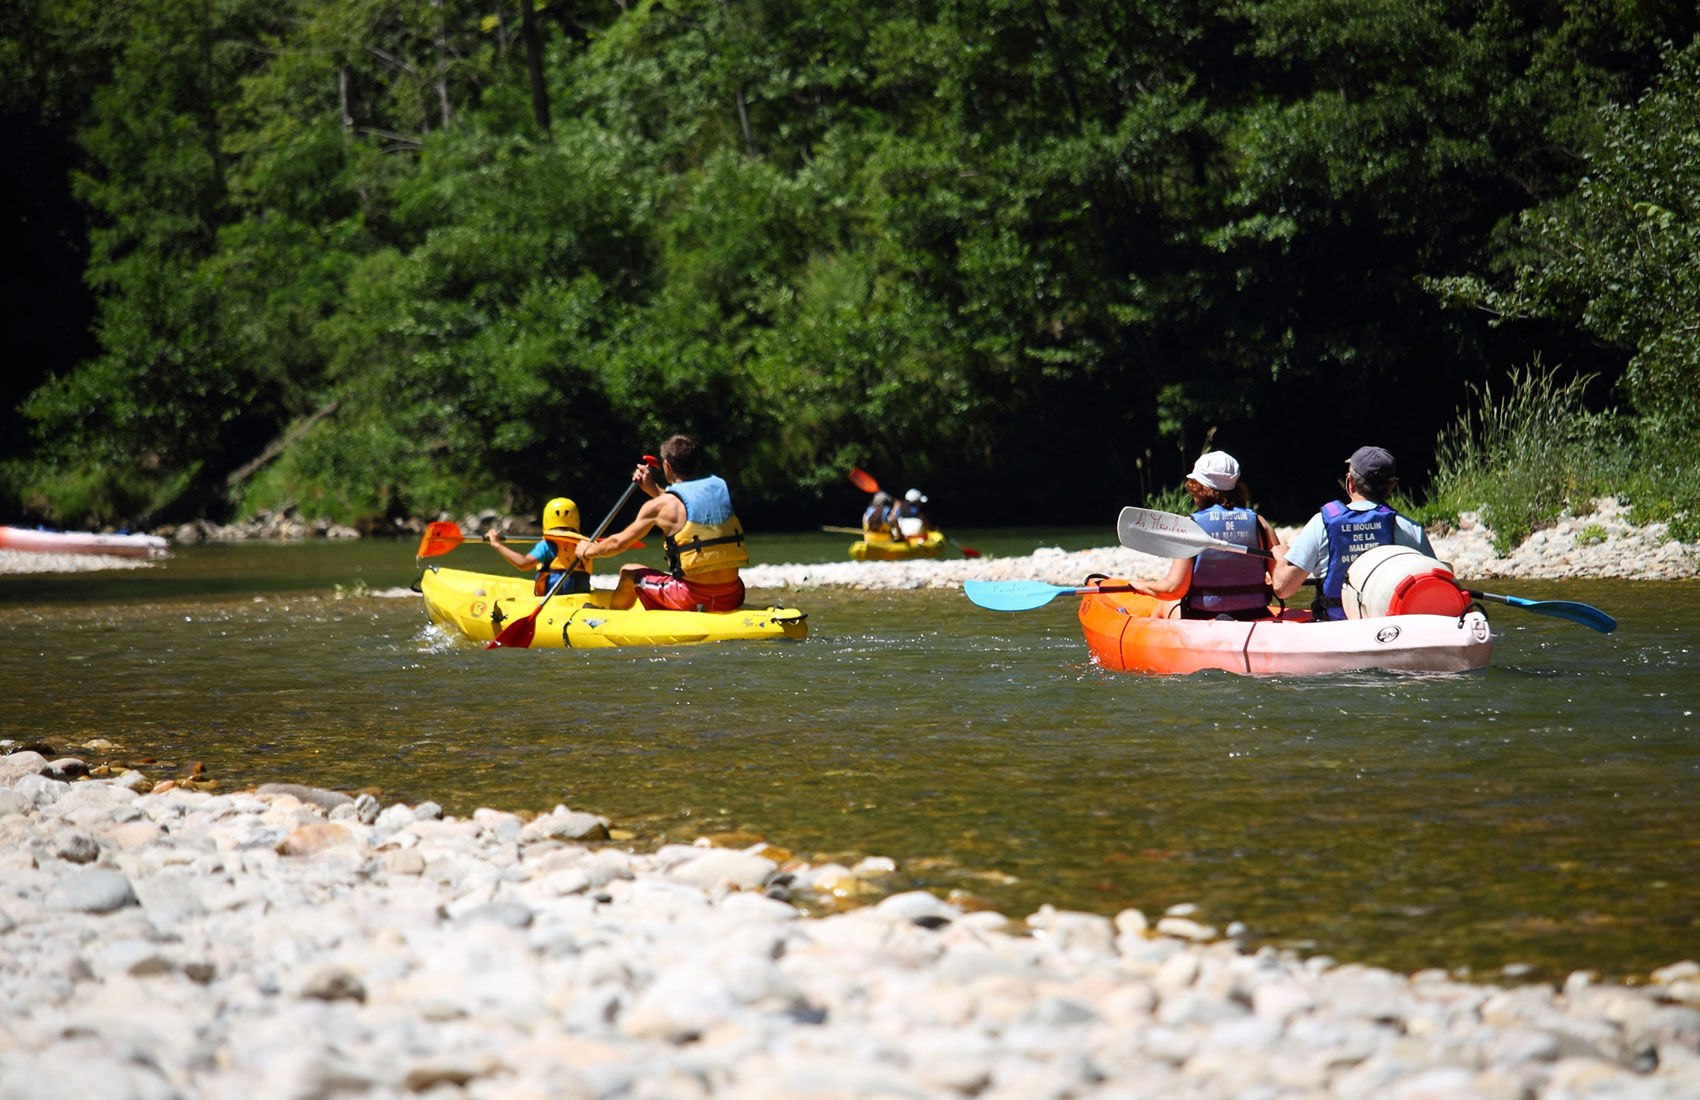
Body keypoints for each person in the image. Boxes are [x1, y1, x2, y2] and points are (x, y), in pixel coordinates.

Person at [572, 434, 747, 612]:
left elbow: (617, 544)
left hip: (691, 598)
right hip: (734, 595)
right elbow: (688, 507)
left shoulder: (658, 507)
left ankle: (612, 618)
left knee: (628, 572)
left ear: (666, 466)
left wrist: (587, 551)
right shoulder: (720, 490)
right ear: (697, 464)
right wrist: (653, 489)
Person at [1271, 445, 1435, 620]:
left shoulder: (1321, 523)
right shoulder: (1410, 529)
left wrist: (1281, 559)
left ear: (1350, 481)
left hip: (1335, 628)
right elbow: (1434, 588)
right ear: (1391, 485)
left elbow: (1283, 588)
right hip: (1390, 629)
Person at [1132, 450, 1281, 621]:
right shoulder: (1260, 523)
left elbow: (1174, 589)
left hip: (1203, 617)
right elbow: (1282, 581)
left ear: (1198, 488)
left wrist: (1142, 585)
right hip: (1255, 613)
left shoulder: (1190, 526)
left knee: (1165, 604)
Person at [483, 497, 592, 596]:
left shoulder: (547, 545)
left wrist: (496, 544)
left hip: (552, 603)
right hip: (580, 599)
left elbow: (524, 564)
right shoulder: (585, 545)